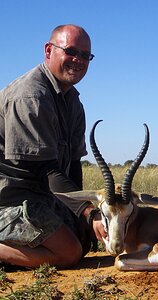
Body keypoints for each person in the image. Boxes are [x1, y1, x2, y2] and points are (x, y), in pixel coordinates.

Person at [0, 24, 105, 269]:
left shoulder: (73, 102)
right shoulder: (31, 96)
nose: (78, 60)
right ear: (49, 50)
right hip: (10, 198)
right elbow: (46, 171)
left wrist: (81, 215)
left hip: (38, 195)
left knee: (83, 239)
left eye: (85, 55)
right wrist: (88, 212)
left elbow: (73, 166)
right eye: (70, 51)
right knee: (69, 253)